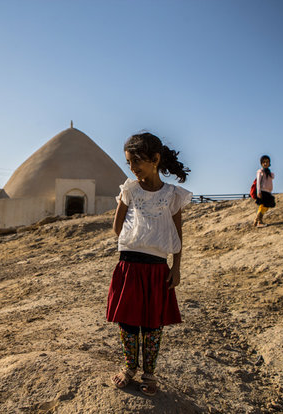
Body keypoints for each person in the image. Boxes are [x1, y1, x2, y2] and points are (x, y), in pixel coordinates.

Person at [107, 132, 192, 396]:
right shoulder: (129, 189)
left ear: (155, 159)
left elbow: (178, 234)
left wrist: (176, 267)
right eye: (129, 163)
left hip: (157, 267)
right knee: (128, 322)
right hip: (129, 265)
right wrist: (136, 234)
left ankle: (149, 373)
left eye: (137, 162)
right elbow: (116, 227)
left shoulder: (172, 195)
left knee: (153, 324)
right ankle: (129, 368)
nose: (132, 168)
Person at [254, 155, 275, 227]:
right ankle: (259, 221)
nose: (265, 163)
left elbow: (272, 178)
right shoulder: (260, 171)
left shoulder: (269, 172)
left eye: (267, 162)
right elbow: (258, 182)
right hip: (262, 191)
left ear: (269, 163)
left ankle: (257, 220)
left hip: (268, 192)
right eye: (263, 162)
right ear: (261, 163)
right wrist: (258, 192)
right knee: (263, 206)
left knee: (266, 206)